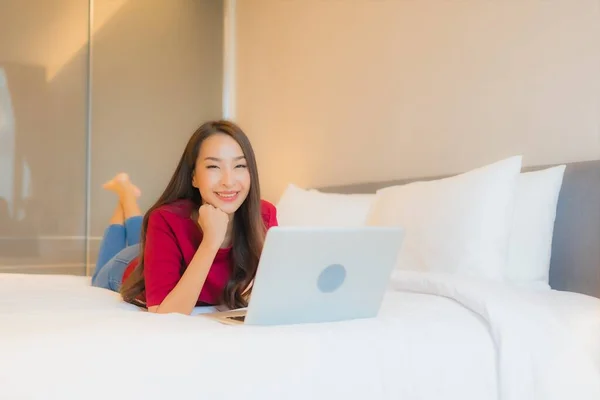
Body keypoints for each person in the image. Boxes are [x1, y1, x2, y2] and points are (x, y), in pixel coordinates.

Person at [91, 120, 278, 315]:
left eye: (239, 165)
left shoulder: (264, 215)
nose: (228, 182)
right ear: (193, 177)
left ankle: (125, 193)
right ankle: (125, 195)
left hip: (158, 249)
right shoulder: (165, 219)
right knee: (98, 274)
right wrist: (210, 243)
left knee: (142, 239)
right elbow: (166, 314)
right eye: (214, 167)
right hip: (130, 267)